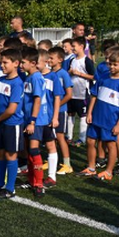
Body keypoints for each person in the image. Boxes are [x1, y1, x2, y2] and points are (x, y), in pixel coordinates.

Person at [79, 50, 119, 181]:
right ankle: (91, 168)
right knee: (90, 141)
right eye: (110, 64)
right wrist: (90, 112)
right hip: (96, 117)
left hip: (110, 120)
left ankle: (108, 171)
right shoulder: (103, 77)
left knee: (110, 144)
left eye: (115, 65)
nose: (112, 67)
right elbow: (94, 95)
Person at [0, 48, 25, 200]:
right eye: (1, 62)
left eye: (5, 62)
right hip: (0, 122)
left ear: (16, 63)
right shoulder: (1, 80)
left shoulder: (17, 83)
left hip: (12, 124)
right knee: (0, 153)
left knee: (11, 155)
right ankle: (0, 184)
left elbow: (11, 109)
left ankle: (10, 188)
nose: (1, 65)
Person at [19, 47, 49, 197]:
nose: (20, 65)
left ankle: (39, 183)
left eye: (23, 62)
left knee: (34, 150)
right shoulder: (28, 77)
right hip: (28, 119)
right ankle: (31, 179)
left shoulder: (36, 77)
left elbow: (37, 100)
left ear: (32, 63)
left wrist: (32, 121)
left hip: (36, 120)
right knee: (28, 150)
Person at [48, 47, 74, 175]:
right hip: (51, 110)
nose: (49, 60)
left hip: (60, 110)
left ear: (60, 60)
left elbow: (69, 94)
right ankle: (52, 158)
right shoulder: (49, 73)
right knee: (51, 136)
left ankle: (67, 164)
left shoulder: (63, 74)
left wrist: (57, 105)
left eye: (51, 58)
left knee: (60, 136)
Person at [67, 36, 95, 147]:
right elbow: (69, 72)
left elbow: (93, 76)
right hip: (72, 93)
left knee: (83, 116)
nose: (72, 48)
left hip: (83, 93)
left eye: (74, 46)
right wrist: (70, 72)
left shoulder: (87, 61)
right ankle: (69, 136)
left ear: (81, 46)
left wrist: (80, 74)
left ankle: (82, 139)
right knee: (70, 114)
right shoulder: (72, 60)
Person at [40, 48, 62, 187]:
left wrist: (55, 117)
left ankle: (52, 176)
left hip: (47, 117)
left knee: (50, 145)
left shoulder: (53, 77)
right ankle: (33, 174)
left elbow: (57, 98)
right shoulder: (32, 76)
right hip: (35, 118)